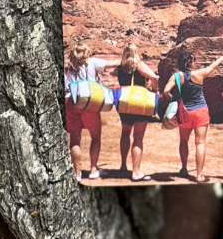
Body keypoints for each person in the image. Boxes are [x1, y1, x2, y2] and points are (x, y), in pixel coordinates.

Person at [162, 48, 223, 183]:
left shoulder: (176, 76)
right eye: (193, 61)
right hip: (200, 112)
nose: (195, 64)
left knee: (183, 141)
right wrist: (220, 59)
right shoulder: (198, 74)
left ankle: (184, 169)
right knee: (200, 143)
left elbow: (166, 91)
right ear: (190, 63)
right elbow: (211, 68)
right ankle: (199, 175)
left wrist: (172, 100)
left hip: (184, 113)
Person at [63, 38, 115, 181]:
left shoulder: (67, 67)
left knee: (74, 139)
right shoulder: (92, 62)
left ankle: (77, 173)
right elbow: (113, 64)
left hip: (70, 102)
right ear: (86, 53)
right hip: (88, 102)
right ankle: (93, 170)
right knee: (95, 136)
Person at [116, 43, 159, 181]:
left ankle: (123, 166)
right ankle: (136, 172)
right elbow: (154, 77)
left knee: (125, 133)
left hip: (125, 103)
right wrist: (155, 90)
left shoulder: (120, 67)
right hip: (140, 103)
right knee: (138, 138)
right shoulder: (139, 65)